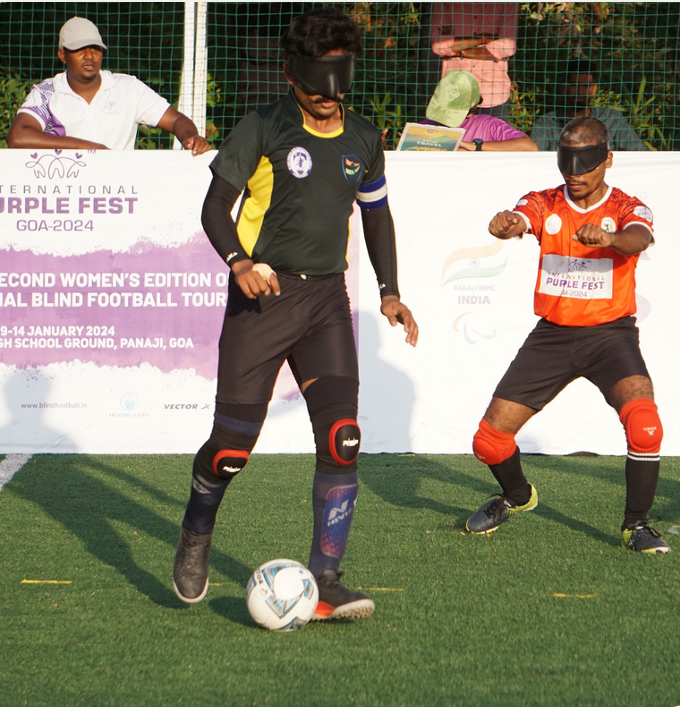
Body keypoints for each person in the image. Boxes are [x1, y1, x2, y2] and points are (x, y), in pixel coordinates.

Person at [172, 8, 419, 620]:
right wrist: (239, 262)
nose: (329, 102)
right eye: (317, 90)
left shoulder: (364, 136)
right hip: (264, 298)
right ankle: (197, 533)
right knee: (231, 449)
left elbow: (376, 214)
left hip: (327, 301)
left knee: (343, 440)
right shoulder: (262, 126)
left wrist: (390, 289)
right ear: (292, 76)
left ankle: (327, 580)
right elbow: (214, 209)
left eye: (338, 88)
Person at [466, 116, 668, 554]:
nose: (575, 172)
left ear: (607, 160)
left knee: (646, 426)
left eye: (586, 161)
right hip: (552, 337)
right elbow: (522, 216)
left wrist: (611, 239)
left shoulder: (628, 208)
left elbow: (639, 238)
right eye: (567, 161)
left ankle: (636, 525)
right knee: (488, 441)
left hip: (610, 336)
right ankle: (518, 498)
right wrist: (508, 224)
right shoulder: (546, 202)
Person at [7, 17, 210, 154]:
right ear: (62, 55)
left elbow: (176, 120)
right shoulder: (47, 92)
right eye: (79, 49)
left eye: (95, 48)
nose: (89, 56)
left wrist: (190, 137)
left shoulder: (128, 88)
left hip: (120, 196)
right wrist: (91, 149)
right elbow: (18, 137)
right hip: (68, 195)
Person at [531, 59, 647, 151]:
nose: (580, 91)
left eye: (586, 86)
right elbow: (533, 160)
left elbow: (640, 154)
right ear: (564, 87)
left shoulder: (613, 119)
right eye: (574, 85)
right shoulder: (547, 123)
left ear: (594, 89)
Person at [431, 2, 519, 119]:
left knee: (495, 137)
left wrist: (459, 48)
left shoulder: (507, 3)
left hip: (492, 93)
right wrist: (483, 40)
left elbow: (507, 46)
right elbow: (438, 45)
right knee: (451, 137)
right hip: (454, 93)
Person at [422, 70, 537, 151]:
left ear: (472, 110)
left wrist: (473, 146)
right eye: (440, 110)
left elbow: (529, 147)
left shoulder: (487, 125)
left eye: (453, 114)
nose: (444, 120)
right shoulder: (427, 126)